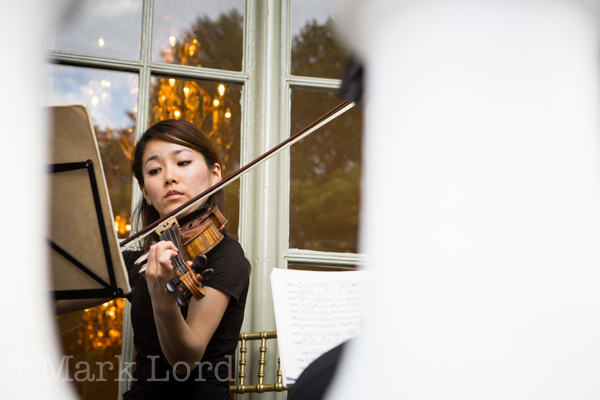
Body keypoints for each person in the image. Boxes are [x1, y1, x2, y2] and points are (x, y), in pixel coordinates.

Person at [57, 119, 249, 400]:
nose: (169, 177)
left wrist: (162, 297)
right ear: (146, 192)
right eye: (155, 170)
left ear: (215, 174)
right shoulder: (139, 263)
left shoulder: (225, 255)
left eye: (183, 162)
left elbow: (185, 360)